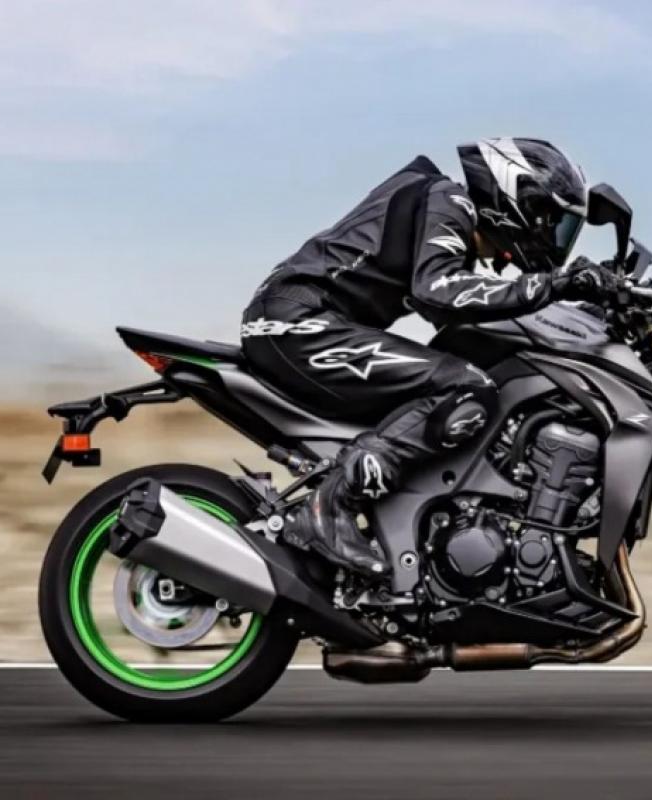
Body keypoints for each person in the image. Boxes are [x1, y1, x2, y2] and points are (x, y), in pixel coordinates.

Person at [241, 137, 617, 577]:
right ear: (518, 200)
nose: (553, 236)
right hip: (298, 323)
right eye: (551, 220)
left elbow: (460, 310)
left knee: (457, 378)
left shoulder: (447, 216)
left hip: (309, 323)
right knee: (467, 388)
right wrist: (555, 284)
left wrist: (586, 309)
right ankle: (330, 507)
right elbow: (438, 291)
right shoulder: (449, 200)